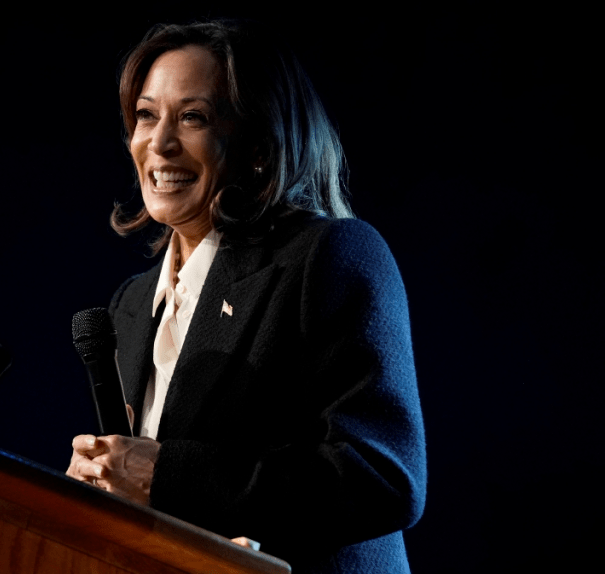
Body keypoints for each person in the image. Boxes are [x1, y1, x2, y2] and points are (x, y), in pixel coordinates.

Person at [65, 20, 427, 574]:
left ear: (258, 145)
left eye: (193, 117)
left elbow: (382, 479)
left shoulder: (330, 257)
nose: (159, 143)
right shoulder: (132, 304)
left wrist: (164, 475)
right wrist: (98, 486)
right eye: (145, 115)